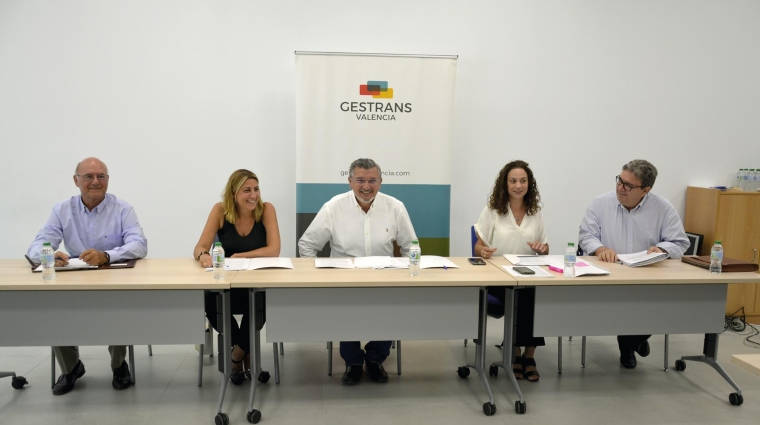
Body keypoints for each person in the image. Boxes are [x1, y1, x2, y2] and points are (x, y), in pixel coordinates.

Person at [26, 157, 148, 395]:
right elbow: (38, 245)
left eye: (101, 176)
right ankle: (71, 368)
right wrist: (49, 255)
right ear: (76, 181)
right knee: (54, 306)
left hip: (112, 276)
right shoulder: (62, 209)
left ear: (108, 180)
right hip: (74, 276)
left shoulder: (123, 208)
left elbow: (139, 245)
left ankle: (119, 365)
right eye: (88, 177)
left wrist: (107, 255)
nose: (95, 181)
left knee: (118, 306)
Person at [298, 158, 416, 385]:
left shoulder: (395, 207)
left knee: (392, 304)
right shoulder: (333, 207)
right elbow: (307, 244)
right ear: (350, 181)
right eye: (360, 180)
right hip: (343, 280)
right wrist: (317, 275)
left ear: (381, 182)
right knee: (344, 308)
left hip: (383, 277)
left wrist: (407, 274)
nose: (366, 186)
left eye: (372, 180)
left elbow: (411, 247)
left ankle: (375, 359)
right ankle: (352, 362)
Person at [579, 159, 690, 369]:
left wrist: (663, 249)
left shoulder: (663, 207)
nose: (621, 188)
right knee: (621, 305)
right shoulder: (600, 203)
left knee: (662, 307)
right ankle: (631, 344)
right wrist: (600, 249)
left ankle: (629, 342)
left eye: (628, 186)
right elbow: (586, 235)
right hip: (609, 275)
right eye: (620, 181)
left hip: (649, 277)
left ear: (645, 190)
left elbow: (680, 241)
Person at [193, 169, 280, 385]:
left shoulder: (267, 209)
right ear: (233, 193)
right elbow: (200, 246)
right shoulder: (220, 210)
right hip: (226, 283)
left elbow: (274, 250)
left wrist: (241, 255)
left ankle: (236, 357)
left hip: (257, 283)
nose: (253, 195)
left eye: (256, 189)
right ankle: (245, 352)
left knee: (259, 302)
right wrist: (204, 256)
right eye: (247, 190)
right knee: (210, 301)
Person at [474, 160, 548, 382]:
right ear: (504, 184)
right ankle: (516, 352)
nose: (518, 185)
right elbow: (478, 246)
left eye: (523, 181)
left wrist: (541, 249)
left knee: (536, 295)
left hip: (528, 272)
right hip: (498, 275)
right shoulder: (493, 210)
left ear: (529, 184)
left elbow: (545, 248)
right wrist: (483, 251)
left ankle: (529, 354)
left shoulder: (535, 211)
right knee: (521, 295)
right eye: (513, 181)